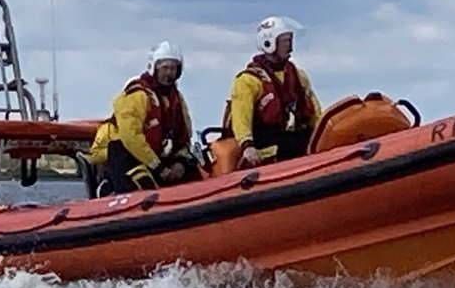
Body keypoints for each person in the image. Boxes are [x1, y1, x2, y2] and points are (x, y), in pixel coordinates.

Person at [89, 40, 201, 194]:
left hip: (154, 155)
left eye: (173, 68)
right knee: (140, 181)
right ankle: (108, 190)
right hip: (122, 151)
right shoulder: (138, 94)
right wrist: (158, 167)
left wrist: (180, 163)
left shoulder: (176, 99)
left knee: (192, 173)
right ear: (154, 68)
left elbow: (182, 137)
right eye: (164, 68)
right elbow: (130, 137)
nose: (169, 73)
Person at [223, 15, 321, 167]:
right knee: (290, 145)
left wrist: (323, 130)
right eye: (285, 41)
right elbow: (241, 119)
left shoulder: (298, 76)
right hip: (265, 146)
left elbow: (315, 111)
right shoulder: (249, 81)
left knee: (299, 142)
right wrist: (247, 146)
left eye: (290, 41)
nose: (290, 47)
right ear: (269, 42)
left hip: (294, 139)